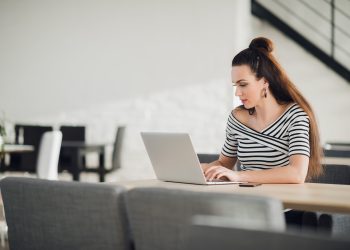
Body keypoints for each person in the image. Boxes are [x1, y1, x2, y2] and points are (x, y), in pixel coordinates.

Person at [202, 37, 323, 184]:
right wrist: (200, 168)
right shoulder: (236, 118)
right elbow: (224, 164)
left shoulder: (295, 116)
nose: (237, 93)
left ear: (265, 81)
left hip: (284, 203)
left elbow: (297, 174)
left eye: (243, 85)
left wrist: (240, 176)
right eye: (236, 86)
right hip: (248, 199)